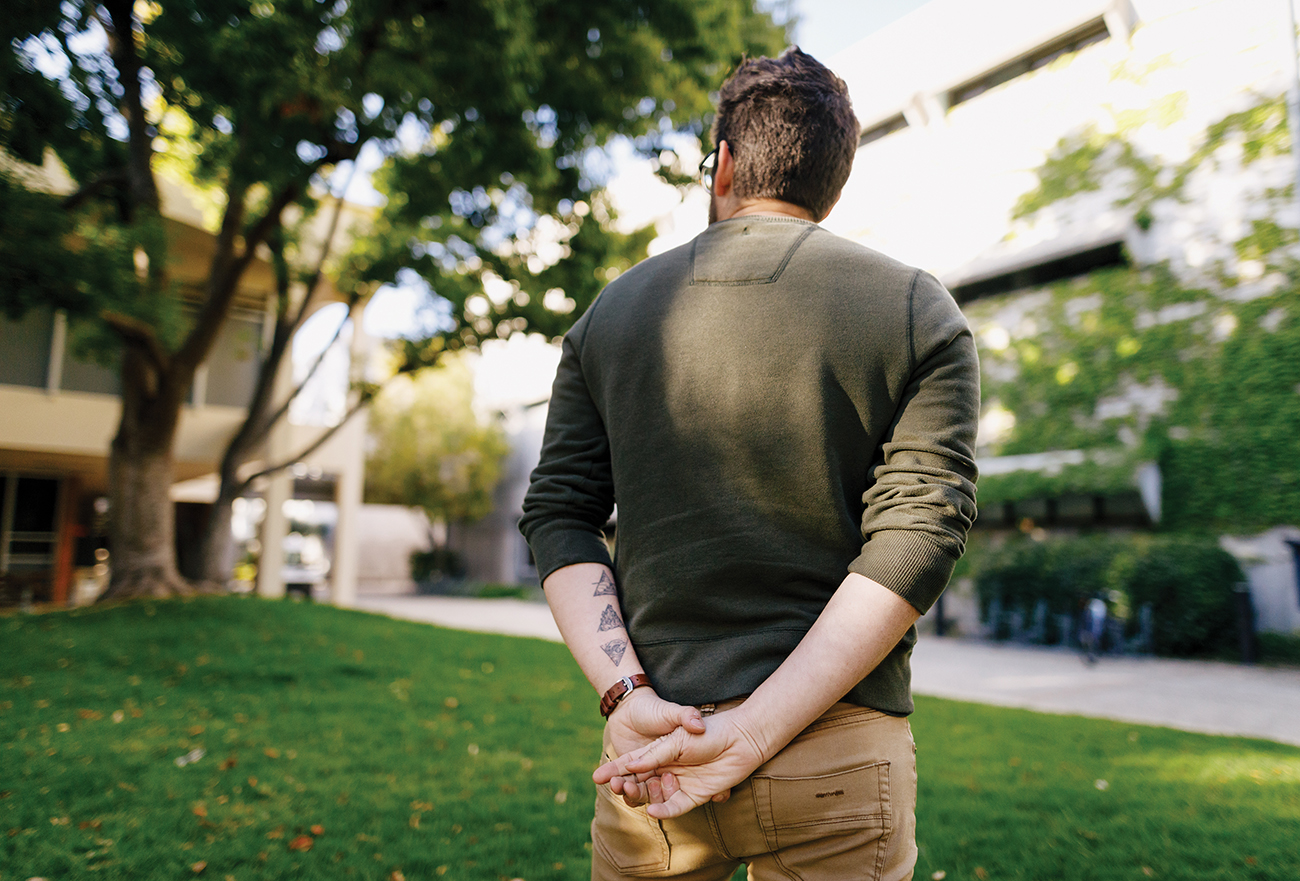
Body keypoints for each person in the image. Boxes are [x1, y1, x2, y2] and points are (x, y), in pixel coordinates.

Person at [519, 47, 980, 881]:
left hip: (654, 752)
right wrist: (760, 727)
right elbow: (920, 530)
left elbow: (557, 512)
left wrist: (628, 697)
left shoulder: (609, 316)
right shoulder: (915, 309)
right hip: (837, 757)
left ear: (724, 162)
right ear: (832, 183)